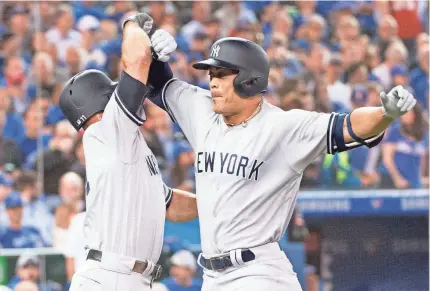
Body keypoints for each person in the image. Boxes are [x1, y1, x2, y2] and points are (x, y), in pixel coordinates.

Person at [142, 22, 417, 290]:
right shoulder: (202, 110)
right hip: (212, 277)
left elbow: (347, 127)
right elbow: (158, 84)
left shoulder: (283, 126)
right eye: (210, 74)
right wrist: (155, 52)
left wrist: (385, 114)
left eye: (221, 73)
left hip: (258, 273)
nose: (212, 81)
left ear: (249, 80)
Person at [58, 13, 198, 291]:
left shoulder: (121, 144)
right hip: (109, 277)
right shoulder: (108, 131)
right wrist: (134, 23)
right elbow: (137, 61)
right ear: (100, 102)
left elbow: (168, 204)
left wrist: (223, 203)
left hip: (125, 277)